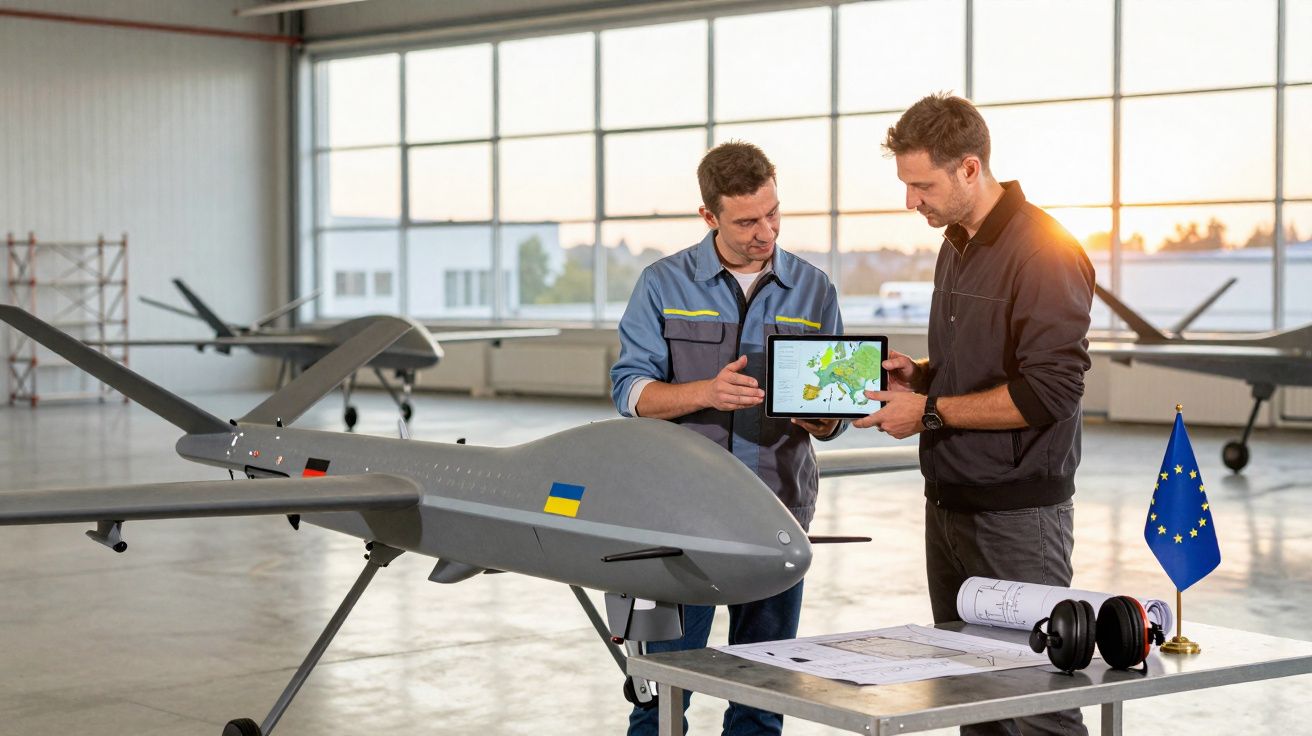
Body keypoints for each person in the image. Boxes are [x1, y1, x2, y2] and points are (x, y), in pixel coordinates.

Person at [855, 94, 1095, 736]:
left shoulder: (1044, 250)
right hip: (951, 504)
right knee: (972, 698)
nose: (911, 202)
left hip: (1018, 516)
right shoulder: (955, 242)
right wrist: (923, 377)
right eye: (905, 185)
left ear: (969, 168)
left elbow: (1051, 392)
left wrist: (928, 411)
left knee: (1037, 703)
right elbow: (986, 367)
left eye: (921, 185)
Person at [610, 140, 844, 736]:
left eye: (773, 214)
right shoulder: (663, 284)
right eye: (746, 222)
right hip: (678, 524)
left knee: (762, 697)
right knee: (661, 694)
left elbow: (833, 409)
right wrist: (703, 394)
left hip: (776, 518)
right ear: (709, 217)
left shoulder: (814, 290)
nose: (765, 232)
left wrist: (825, 418)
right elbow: (631, 391)